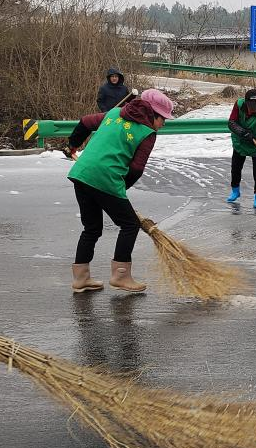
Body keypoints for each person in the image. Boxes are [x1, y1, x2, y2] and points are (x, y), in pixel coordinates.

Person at [64, 89, 174, 294]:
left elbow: (85, 122)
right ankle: (121, 276)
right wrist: (121, 188)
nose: (163, 124)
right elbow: (136, 169)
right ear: (153, 114)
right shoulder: (148, 133)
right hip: (106, 177)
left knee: (91, 228)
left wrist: (73, 144)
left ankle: (81, 278)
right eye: (163, 119)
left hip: (82, 173)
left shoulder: (115, 113)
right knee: (130, 224)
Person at [226, 88, 256, 209]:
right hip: (240, 141)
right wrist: (243, 132)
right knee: (236, 168)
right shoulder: (239, 105)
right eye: (251, 106)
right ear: (246, 103)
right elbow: (231, 123)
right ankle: (235, 191)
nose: (253, 109)